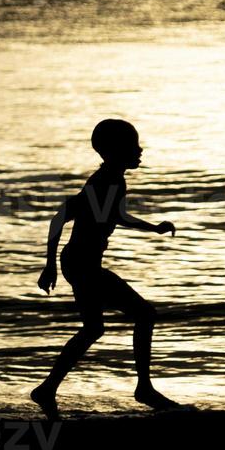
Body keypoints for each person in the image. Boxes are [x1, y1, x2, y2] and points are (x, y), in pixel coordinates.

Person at [32, 118, 180, 418]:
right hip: (81, 264)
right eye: (132, 145)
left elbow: (117, 215)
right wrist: (48, 266)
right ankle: (144, 388)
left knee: (93, 328)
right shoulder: (103, 182)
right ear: (113, 151)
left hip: (80, 263)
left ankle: (47, 389)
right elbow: (61, 215)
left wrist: (152, 227)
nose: (140, 151)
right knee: (145, 315)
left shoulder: (114, 179)